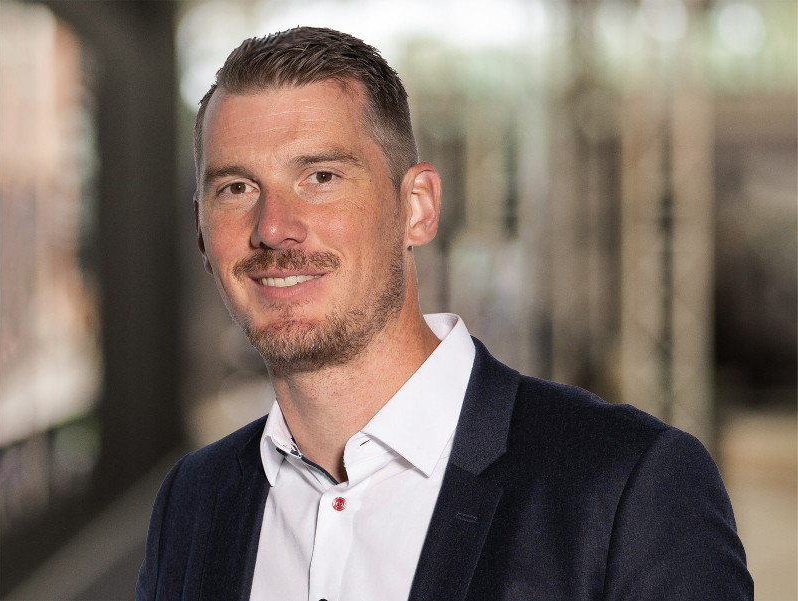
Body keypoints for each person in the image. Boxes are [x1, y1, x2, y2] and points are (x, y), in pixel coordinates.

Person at [136, 26, 752, 601]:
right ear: (201, 229)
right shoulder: (193, 501)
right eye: (236, 188)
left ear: (418, 207)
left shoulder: (625, 488)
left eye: (320, 177)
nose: (273, 228)